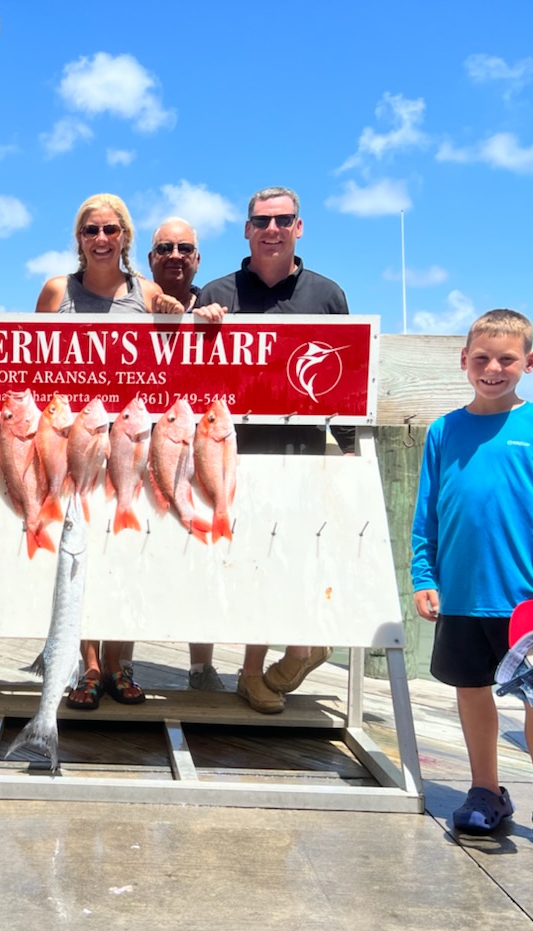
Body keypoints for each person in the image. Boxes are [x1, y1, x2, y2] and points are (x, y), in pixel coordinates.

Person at [411, 308, 533, 870]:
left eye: (507, 359)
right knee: (471, 692)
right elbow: (427, 517)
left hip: (532, 600)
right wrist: (424, 574)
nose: (494, 368)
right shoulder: (443, 431)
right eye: (482, 358)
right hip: (463, 595)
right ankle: (486, 791)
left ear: (529, 363)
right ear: (464, 362)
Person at [194, 187, 347, 713]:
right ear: (246, 229)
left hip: (301, 453)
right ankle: (258, 669)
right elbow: (182, 369)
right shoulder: (215, 291)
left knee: (298, 556)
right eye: (262, 220)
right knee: (251, 563)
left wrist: (348, 454)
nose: (272, 229)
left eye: (283, 219)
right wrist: (200, 321)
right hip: (227, 455)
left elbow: (347, 379)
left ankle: (298, 646)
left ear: (299, 227)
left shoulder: (328, 295)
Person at [36, 193, 183, 710]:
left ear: (125, 237)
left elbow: (174, 356)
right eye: (90, 231)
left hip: (132, 441)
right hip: (75, 442)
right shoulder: (58, 291)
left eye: (110, 231)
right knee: (78, 560)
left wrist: (172, 310)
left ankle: (121, 663)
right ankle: (89, 667)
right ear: (78, 239)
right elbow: (31, 363)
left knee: (126, 553)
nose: (101, 240)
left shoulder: (147, 291)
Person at [144, 216, 226, 692]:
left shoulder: (219, 300)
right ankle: (117, 662)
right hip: (143, 446)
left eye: (184, 248)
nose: (175, 255)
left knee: (201, 560)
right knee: (131, 554)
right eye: (164, 248)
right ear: (151, 257)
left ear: (197, 258)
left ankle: (201, 665)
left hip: (202, 444)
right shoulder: (132, 302)